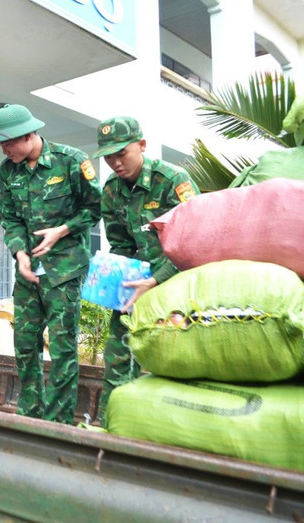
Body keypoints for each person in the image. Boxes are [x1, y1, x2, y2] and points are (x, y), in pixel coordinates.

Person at [0, 104, 102, 424]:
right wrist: (20, 254)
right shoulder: (7, 171)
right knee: (25, 345)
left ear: (29, 135)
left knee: (63, 350)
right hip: (28, 269)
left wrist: (61, 231)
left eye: (9, 143)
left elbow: (94, 209)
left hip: (65, 269)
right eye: (1, 145)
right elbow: (10, 219)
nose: (4, 150)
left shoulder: (71, 161)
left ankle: (57, 422)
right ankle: (31, 415)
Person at [92, 116, 199, 422]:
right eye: (109, 156)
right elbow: (121, 243)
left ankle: (167, 428)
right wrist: (115, 281)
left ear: (141, 145)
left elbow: (194, 240)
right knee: (118, 354)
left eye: (121, 153)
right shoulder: (111, 189)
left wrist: (156, 280)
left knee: (173, 356)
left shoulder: (172, 180)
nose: (115, 162)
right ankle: (111, 425)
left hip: (176, 280)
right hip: (137, 284)